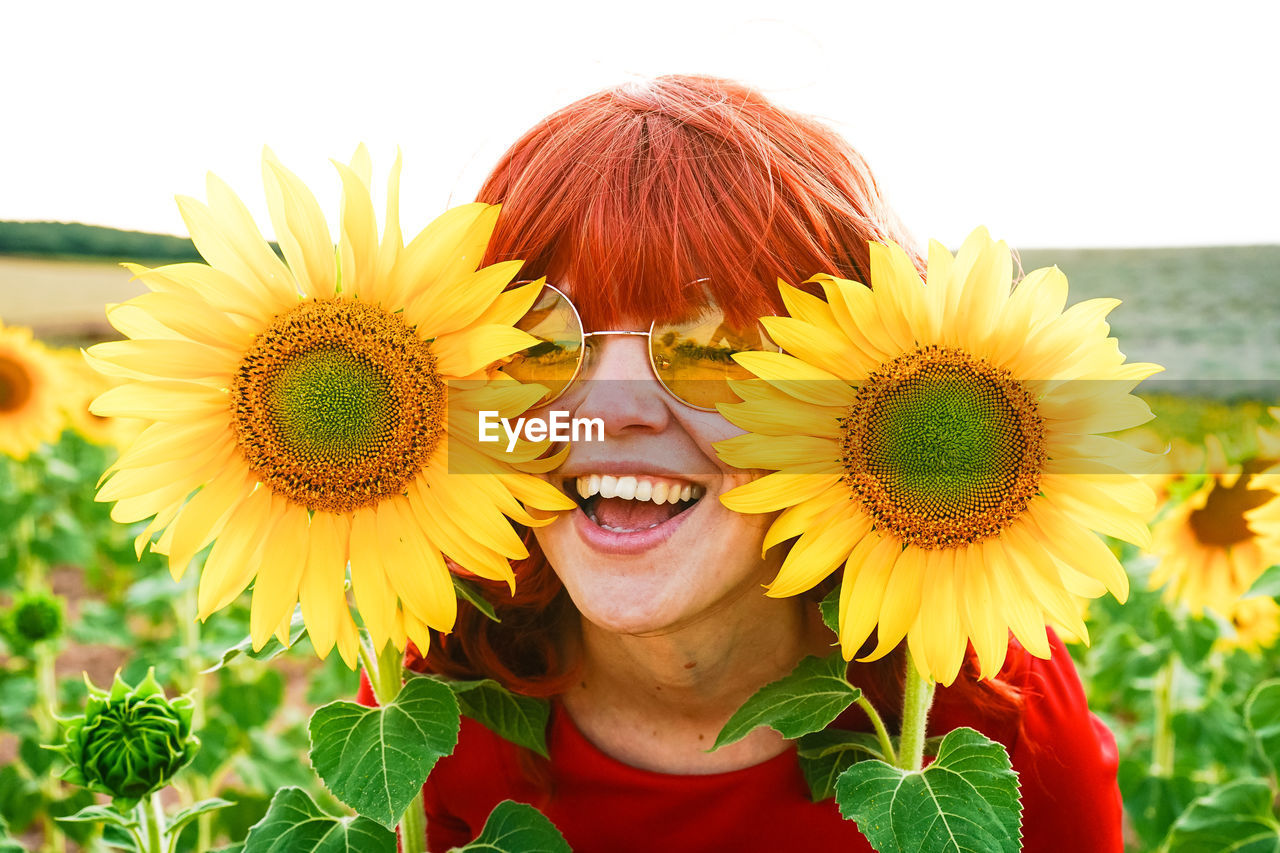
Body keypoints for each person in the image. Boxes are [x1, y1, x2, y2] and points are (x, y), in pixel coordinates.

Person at [359, 74, 1123, 852]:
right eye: (546, 341)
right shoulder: (438, 678)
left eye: (710, 348)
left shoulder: (977, 690)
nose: (615, 408)